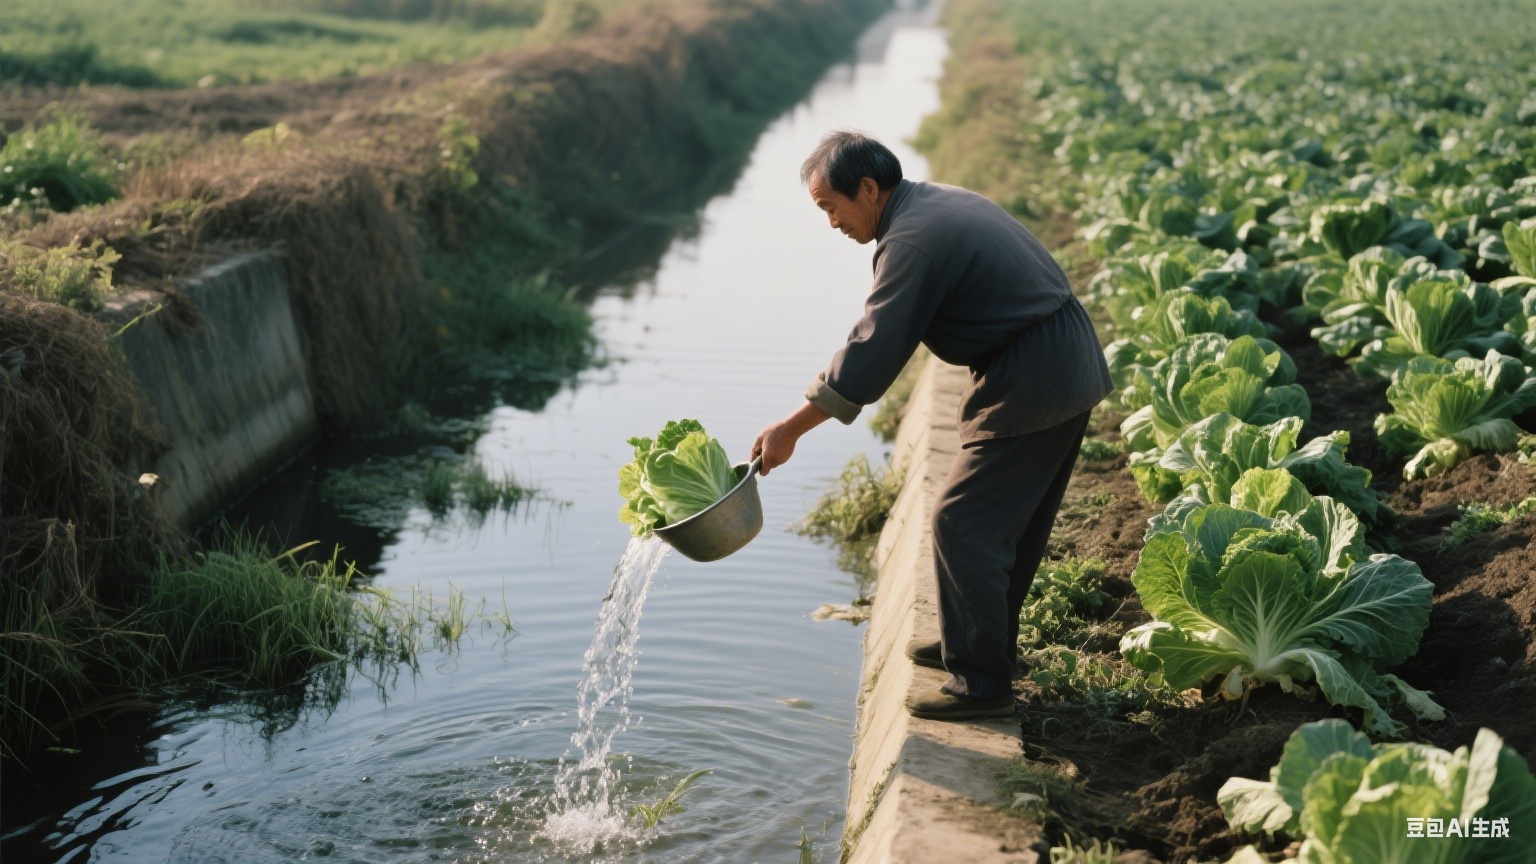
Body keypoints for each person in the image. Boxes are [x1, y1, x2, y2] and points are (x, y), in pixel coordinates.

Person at [750, 130, 1111, 721]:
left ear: (868, 189)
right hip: (1055, 358)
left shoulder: (914, 240)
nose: (832, 223)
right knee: (1002, 525)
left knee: (962, 520)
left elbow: (872, 349)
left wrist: (792, 427)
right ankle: (972, 646)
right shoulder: (930, 203)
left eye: (830, 207)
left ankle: (983, 686)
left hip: (1037, 370)